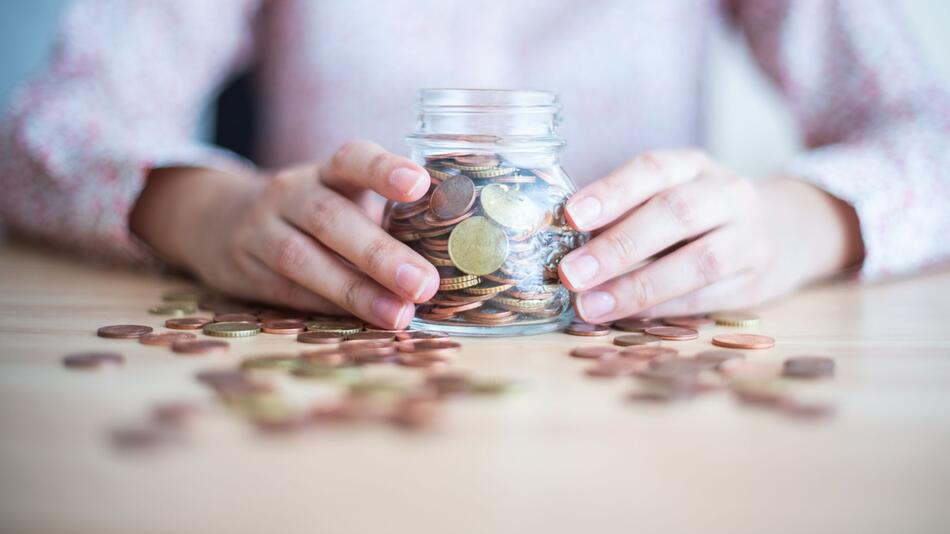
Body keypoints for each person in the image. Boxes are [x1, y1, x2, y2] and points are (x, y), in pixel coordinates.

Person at [1, 0, 947, 330]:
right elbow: (41, 133)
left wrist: (799, 221)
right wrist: (209, 213)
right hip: (361, 338)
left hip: (631, 409)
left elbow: (931, 133)